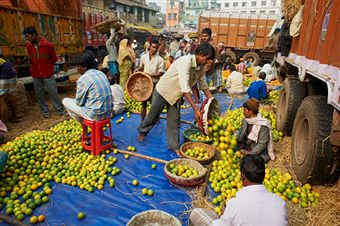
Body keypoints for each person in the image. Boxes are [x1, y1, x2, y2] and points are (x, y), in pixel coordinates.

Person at [138, 42, 216, 151]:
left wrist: (212, 101)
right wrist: (195, 109)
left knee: (174, 121)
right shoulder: (186, 62)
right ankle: (142, 132)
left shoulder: (200, 68)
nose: (207, 62)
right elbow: (184, 87)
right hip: (164, 91)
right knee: (153, 115)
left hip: (176, 96)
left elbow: (203, 85)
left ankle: (174, 146)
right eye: (206, 59)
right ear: (201, 54)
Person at [190, 155, 287, 226]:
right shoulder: (280, 203)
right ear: (264, 176)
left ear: (242, 177)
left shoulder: (234, 205)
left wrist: (224, 215)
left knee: (196, 213)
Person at [23, 26, 65, 118]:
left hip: (47, 73)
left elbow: (54, 59)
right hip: (36, 74)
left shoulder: (48, 45)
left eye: (28, 36)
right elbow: (31, 59)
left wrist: (48, 67)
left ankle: (60, 110)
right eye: (25, 37)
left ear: (34, 35)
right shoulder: (29, 46)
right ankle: (45, 113)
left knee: (53, 92)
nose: (27, 39)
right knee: (39, 94)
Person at [62, 51, 113, 122]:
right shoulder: (101, 73)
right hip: (109, 113)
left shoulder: (83, 79)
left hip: (95, 116)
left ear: (84, 67)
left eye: (77, 66)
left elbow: (79, 103)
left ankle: (83, 125)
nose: (76, 68)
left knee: (65, 101)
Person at [237, 98, 275, 163]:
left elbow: (261, 145)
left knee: (253, 162)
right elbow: (241, 135)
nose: (243, 112)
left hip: (257, 150)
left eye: (245, 110)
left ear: (251, 111)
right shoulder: (245, 120)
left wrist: (249, 153)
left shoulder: (263, 125)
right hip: (247, 145)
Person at [136, 38, 165, 120]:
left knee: (154, 105)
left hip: (155, 84)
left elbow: (161, 73)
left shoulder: (160, 59)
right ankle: (142, 122)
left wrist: (150, 75)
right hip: (145, 84)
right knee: (144, 104)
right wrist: (138, 69)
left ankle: (155, 120)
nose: (154, 49)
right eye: (153, 47)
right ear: (149, 47)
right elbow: (141, 67)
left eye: (156, 47)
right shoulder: (144, 57)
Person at [0, 56, 18, 124]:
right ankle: (15, 118)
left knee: (1, 101)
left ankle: (5, 125)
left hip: (3, 78)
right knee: (10, 96)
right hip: (13, 77)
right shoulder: (1, 60)